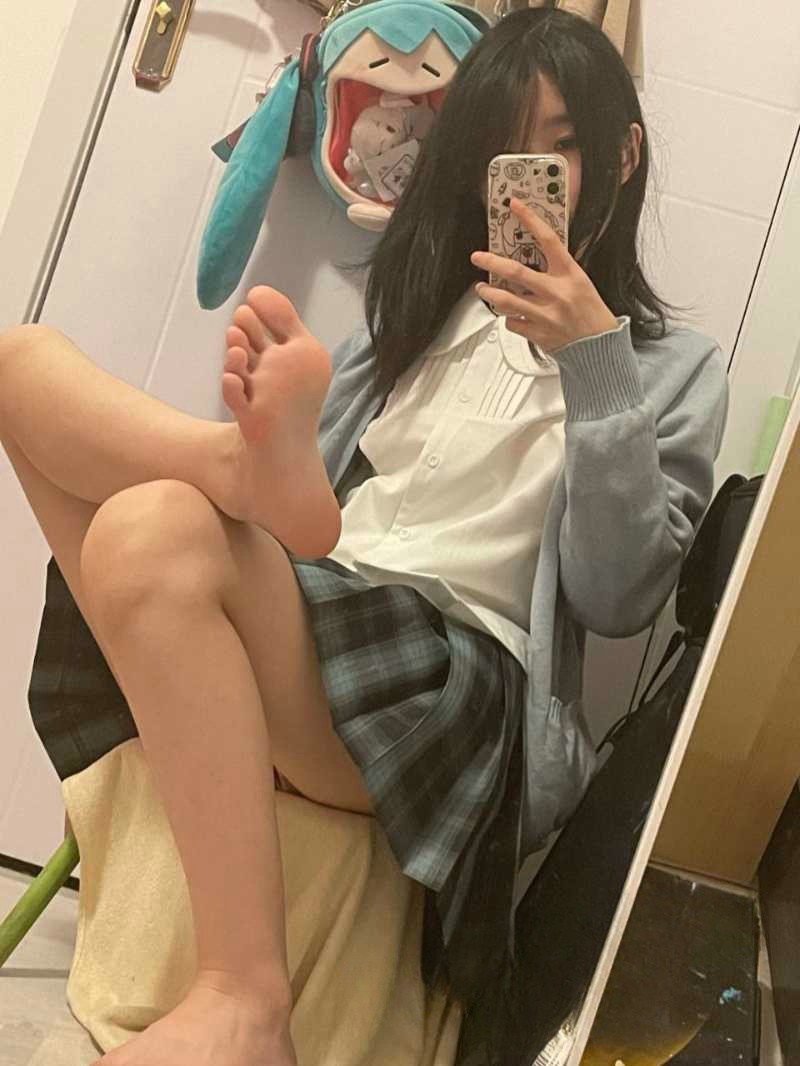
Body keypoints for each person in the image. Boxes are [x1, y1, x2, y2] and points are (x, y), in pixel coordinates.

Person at [0, 7, 728, 1066]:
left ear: (621, 155)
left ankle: (246, 999)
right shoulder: (417, 311)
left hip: (454, 683)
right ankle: (232, 468)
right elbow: (322, 524)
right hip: (322, 599)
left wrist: (593, 360)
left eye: (561, 146)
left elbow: (618, 595)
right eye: (507, 148)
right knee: (20, 368)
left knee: (153, 526)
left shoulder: (666, 368)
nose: (531, 179)